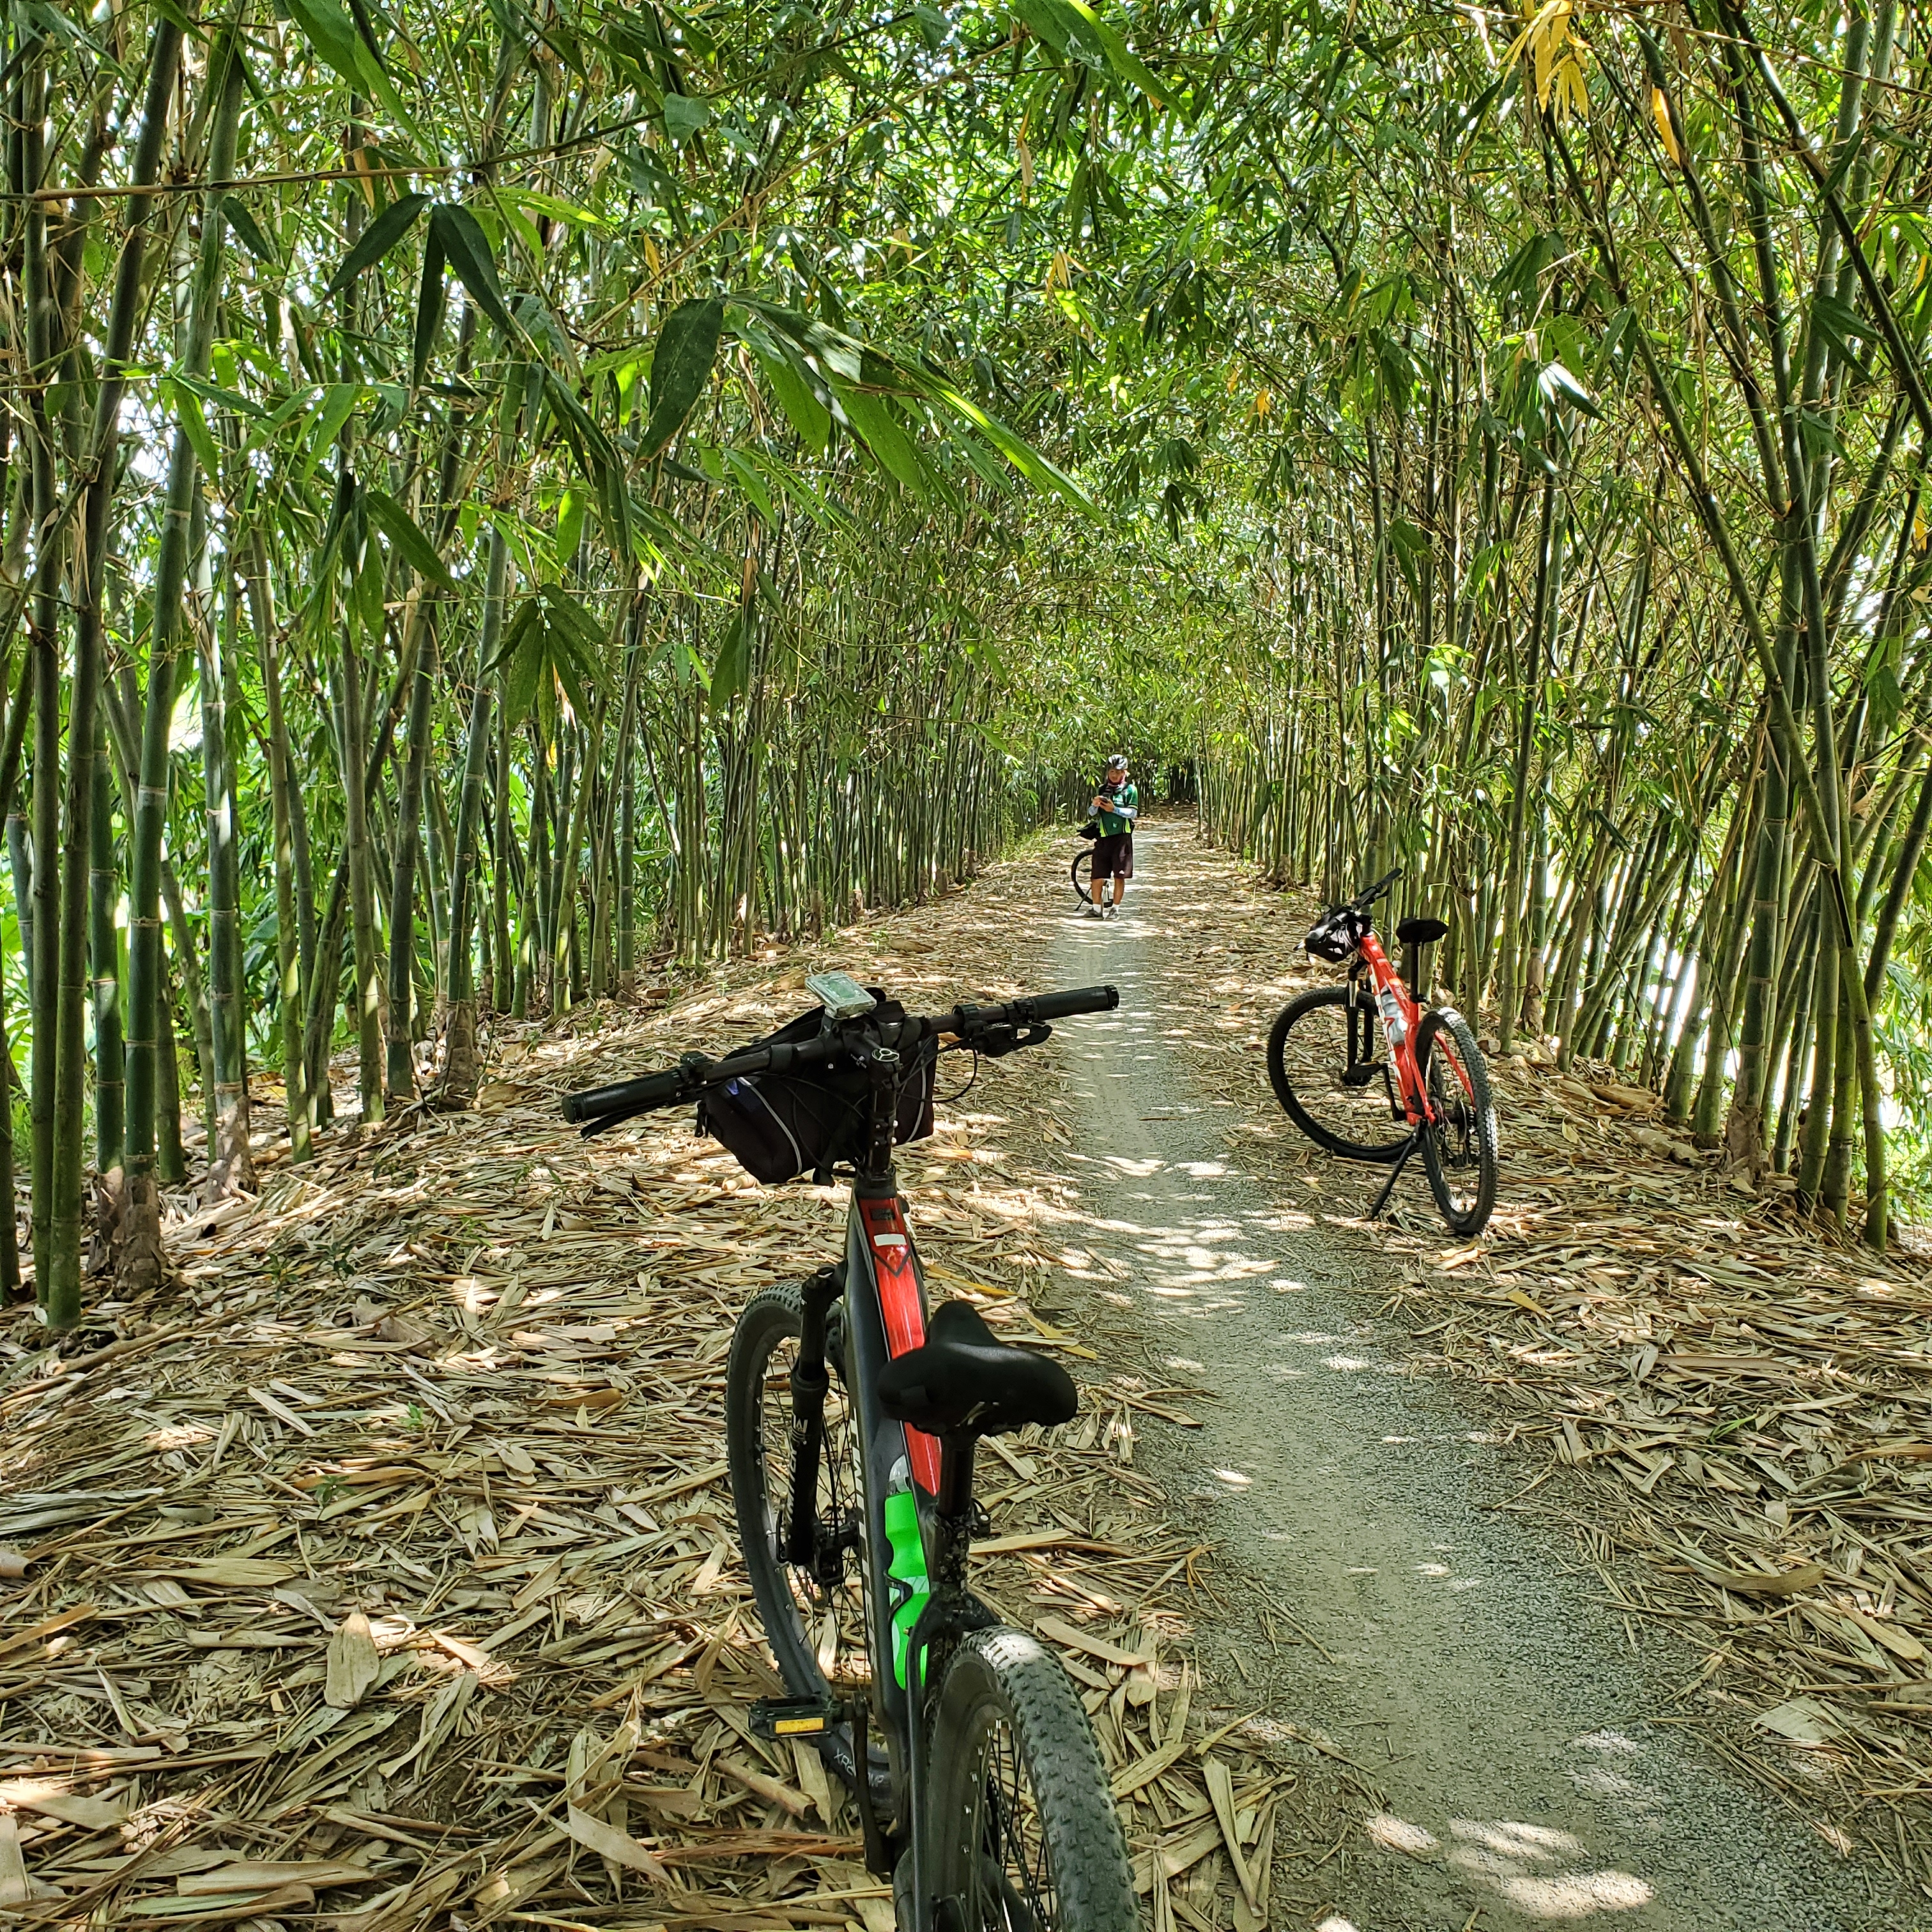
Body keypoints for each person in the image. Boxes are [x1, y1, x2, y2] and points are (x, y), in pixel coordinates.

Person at [1085, 756, 1138, 917]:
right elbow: (1092, 814)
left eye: (1119, 772)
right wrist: (1094, 806)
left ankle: (1115, 909)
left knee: (1119, 876)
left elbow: (1133, 813)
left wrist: (1114, 809)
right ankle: (1096, 909)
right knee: (1097, 875)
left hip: (1122, 838)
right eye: (1112, 772)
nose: (1115, 775)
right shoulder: (1102, 789)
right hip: (1103, 837)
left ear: (1125, 773)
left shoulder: (1130, 790)